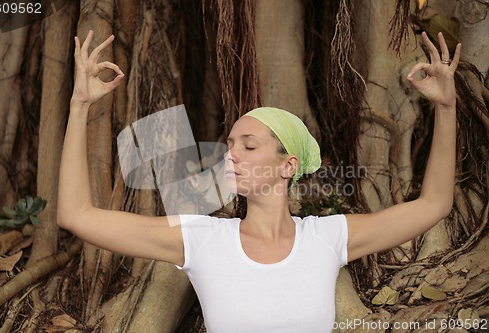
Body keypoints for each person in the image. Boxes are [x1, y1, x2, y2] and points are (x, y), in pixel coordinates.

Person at [58, 30, 461, 333]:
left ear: (288, 166)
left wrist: (446, 106)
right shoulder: (200, 239)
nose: (231, 153)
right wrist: (79, 106)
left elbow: (434, 205)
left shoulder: (328, 238)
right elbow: (76, 215)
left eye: (249, 146)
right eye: (230, 144)